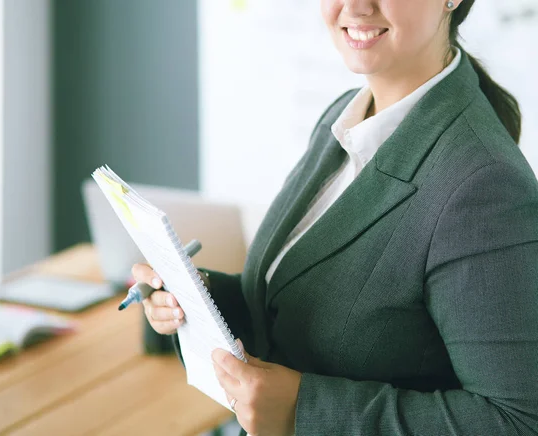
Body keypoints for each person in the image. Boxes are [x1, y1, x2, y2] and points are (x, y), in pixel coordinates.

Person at [132, 0, 538, 434]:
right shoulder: (347, 114)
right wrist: (192, 297)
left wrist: (304, 410)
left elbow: (518, 420)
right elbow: (302, 311)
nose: (357, 6)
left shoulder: (484, 185)